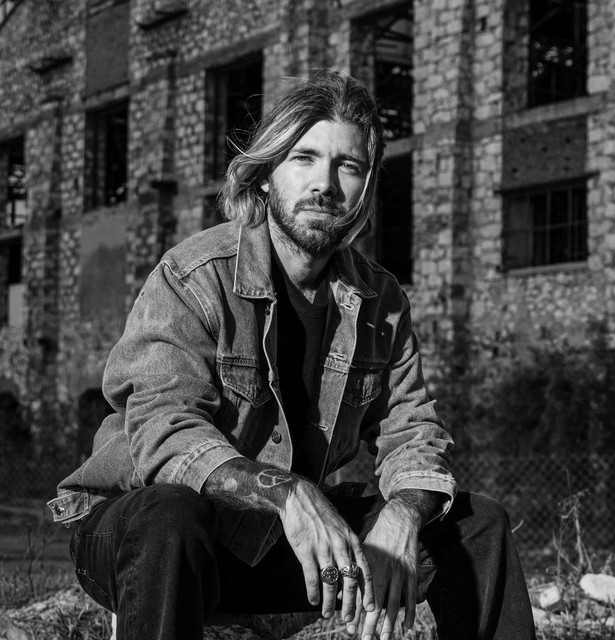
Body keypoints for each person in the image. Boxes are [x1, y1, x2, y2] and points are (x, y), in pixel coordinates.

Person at [48, 69, 535, 640]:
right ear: (265, 175)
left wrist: (402, 513)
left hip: (276, 546)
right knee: (171, 514)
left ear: (364, 188)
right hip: (138, 533)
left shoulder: (380, 301)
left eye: (347, 166)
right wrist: (289, 491)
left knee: (479, 526)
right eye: (304, 158)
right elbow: (165, 434)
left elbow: (414, 431)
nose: (324, 184)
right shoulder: (193, 277)